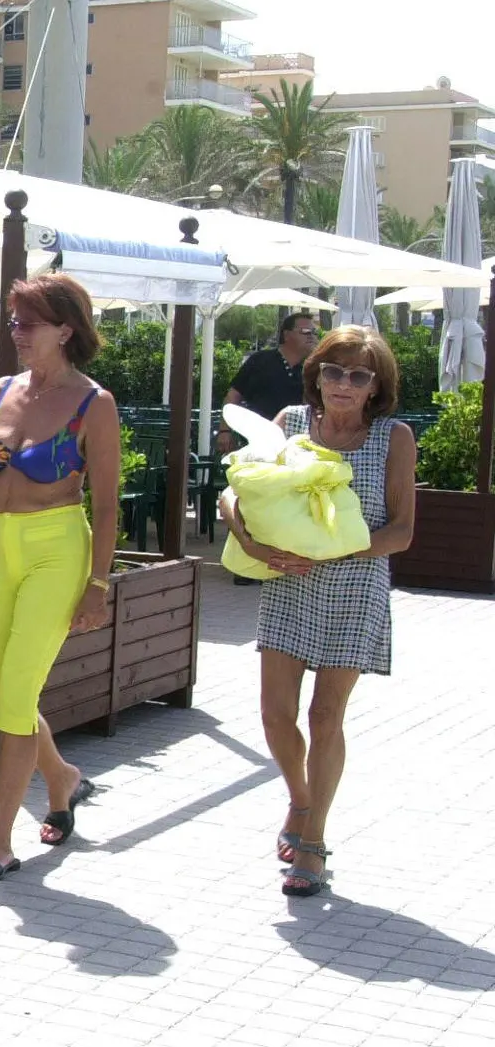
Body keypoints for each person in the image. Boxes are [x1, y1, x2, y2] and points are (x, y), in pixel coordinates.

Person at [220, 326, 415, 898]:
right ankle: (301, 800)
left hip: (355, 587)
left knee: (326, 716)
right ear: (317, 374)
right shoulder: (290, 423)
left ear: (376, 385)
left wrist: (337, 545)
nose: (343, 384)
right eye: (333, 371)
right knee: (275, 715)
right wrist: (250, 543)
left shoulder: (393, 437)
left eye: (358, 374)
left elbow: (402, 533)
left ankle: (315, 839)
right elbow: (237, 491)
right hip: (289, 584)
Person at [0, 273, 121, 885]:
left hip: (56, 547)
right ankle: (62, 778)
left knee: (15, 698)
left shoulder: (93, 403)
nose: (16, 332)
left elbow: (105, 505)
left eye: (28, 323)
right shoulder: (0, 392)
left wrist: (98, 584)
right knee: (4, 698)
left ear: (66, 329)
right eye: (14, 321)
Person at [218, 312, 317, 453]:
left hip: (297, 446)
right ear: (287, 335)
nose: (311, 336)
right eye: (306, 331)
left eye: (314, 332)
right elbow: (233, 396)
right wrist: (224, 431)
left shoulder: (312, 369)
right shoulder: (260, 361)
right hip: (255, 441)